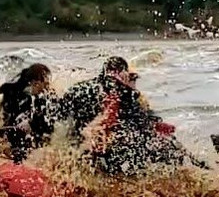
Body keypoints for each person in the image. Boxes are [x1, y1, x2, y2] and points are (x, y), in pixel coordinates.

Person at [58, 56, 189, 175]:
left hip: (80, 146)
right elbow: (132, 120)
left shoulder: (78, 88)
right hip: (105, 146)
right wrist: (154, 124)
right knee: (168, 148)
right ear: (123, 73)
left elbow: (61, 116)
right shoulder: (123, 92)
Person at [0, 63, 55, 163]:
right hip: (11, 130)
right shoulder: (19, 96)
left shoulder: (44, 97)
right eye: (45, 83)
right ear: (34, 83)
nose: (48, 87)